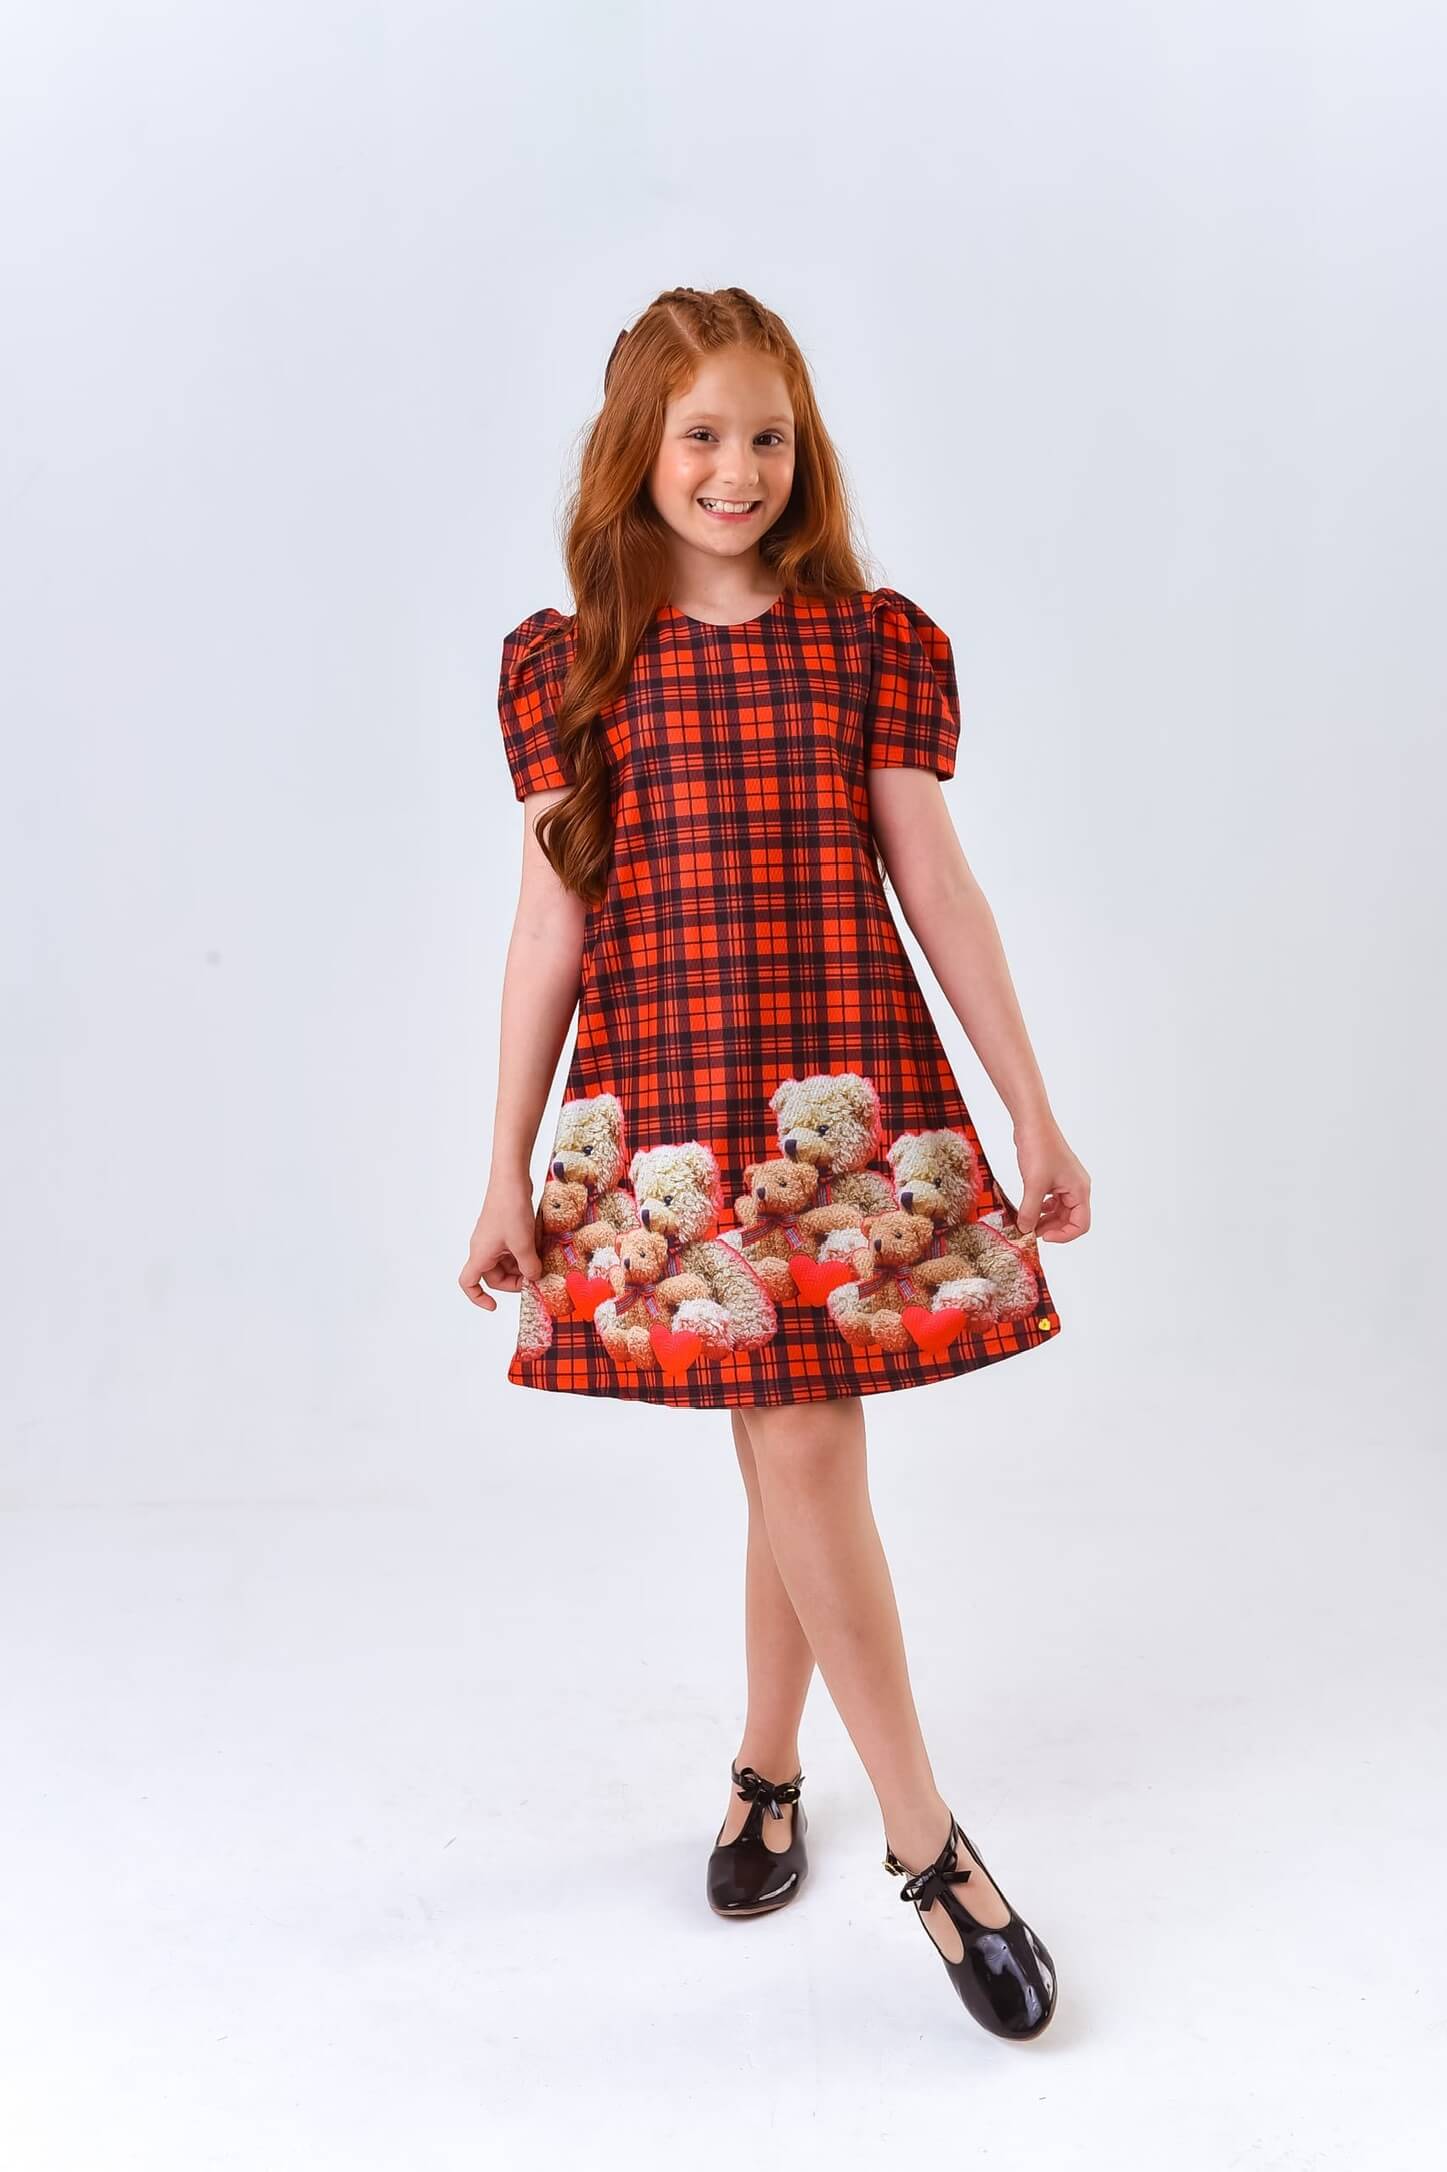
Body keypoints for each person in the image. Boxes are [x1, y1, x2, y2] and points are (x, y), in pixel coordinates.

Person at [459, 285, 1091, 2043]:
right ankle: (895, 1827)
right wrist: (503, 1167)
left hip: (838, 1112)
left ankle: (816, 1794)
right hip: (672, 1107)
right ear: (635, 450)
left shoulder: (864, 642)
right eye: (700, 436)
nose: (736, 469)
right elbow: (548, 929)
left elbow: (936, 883)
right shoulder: (568, 662)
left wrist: (1031, 1106)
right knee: (793, 1446)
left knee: (795, 1444)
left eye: (767, 437)